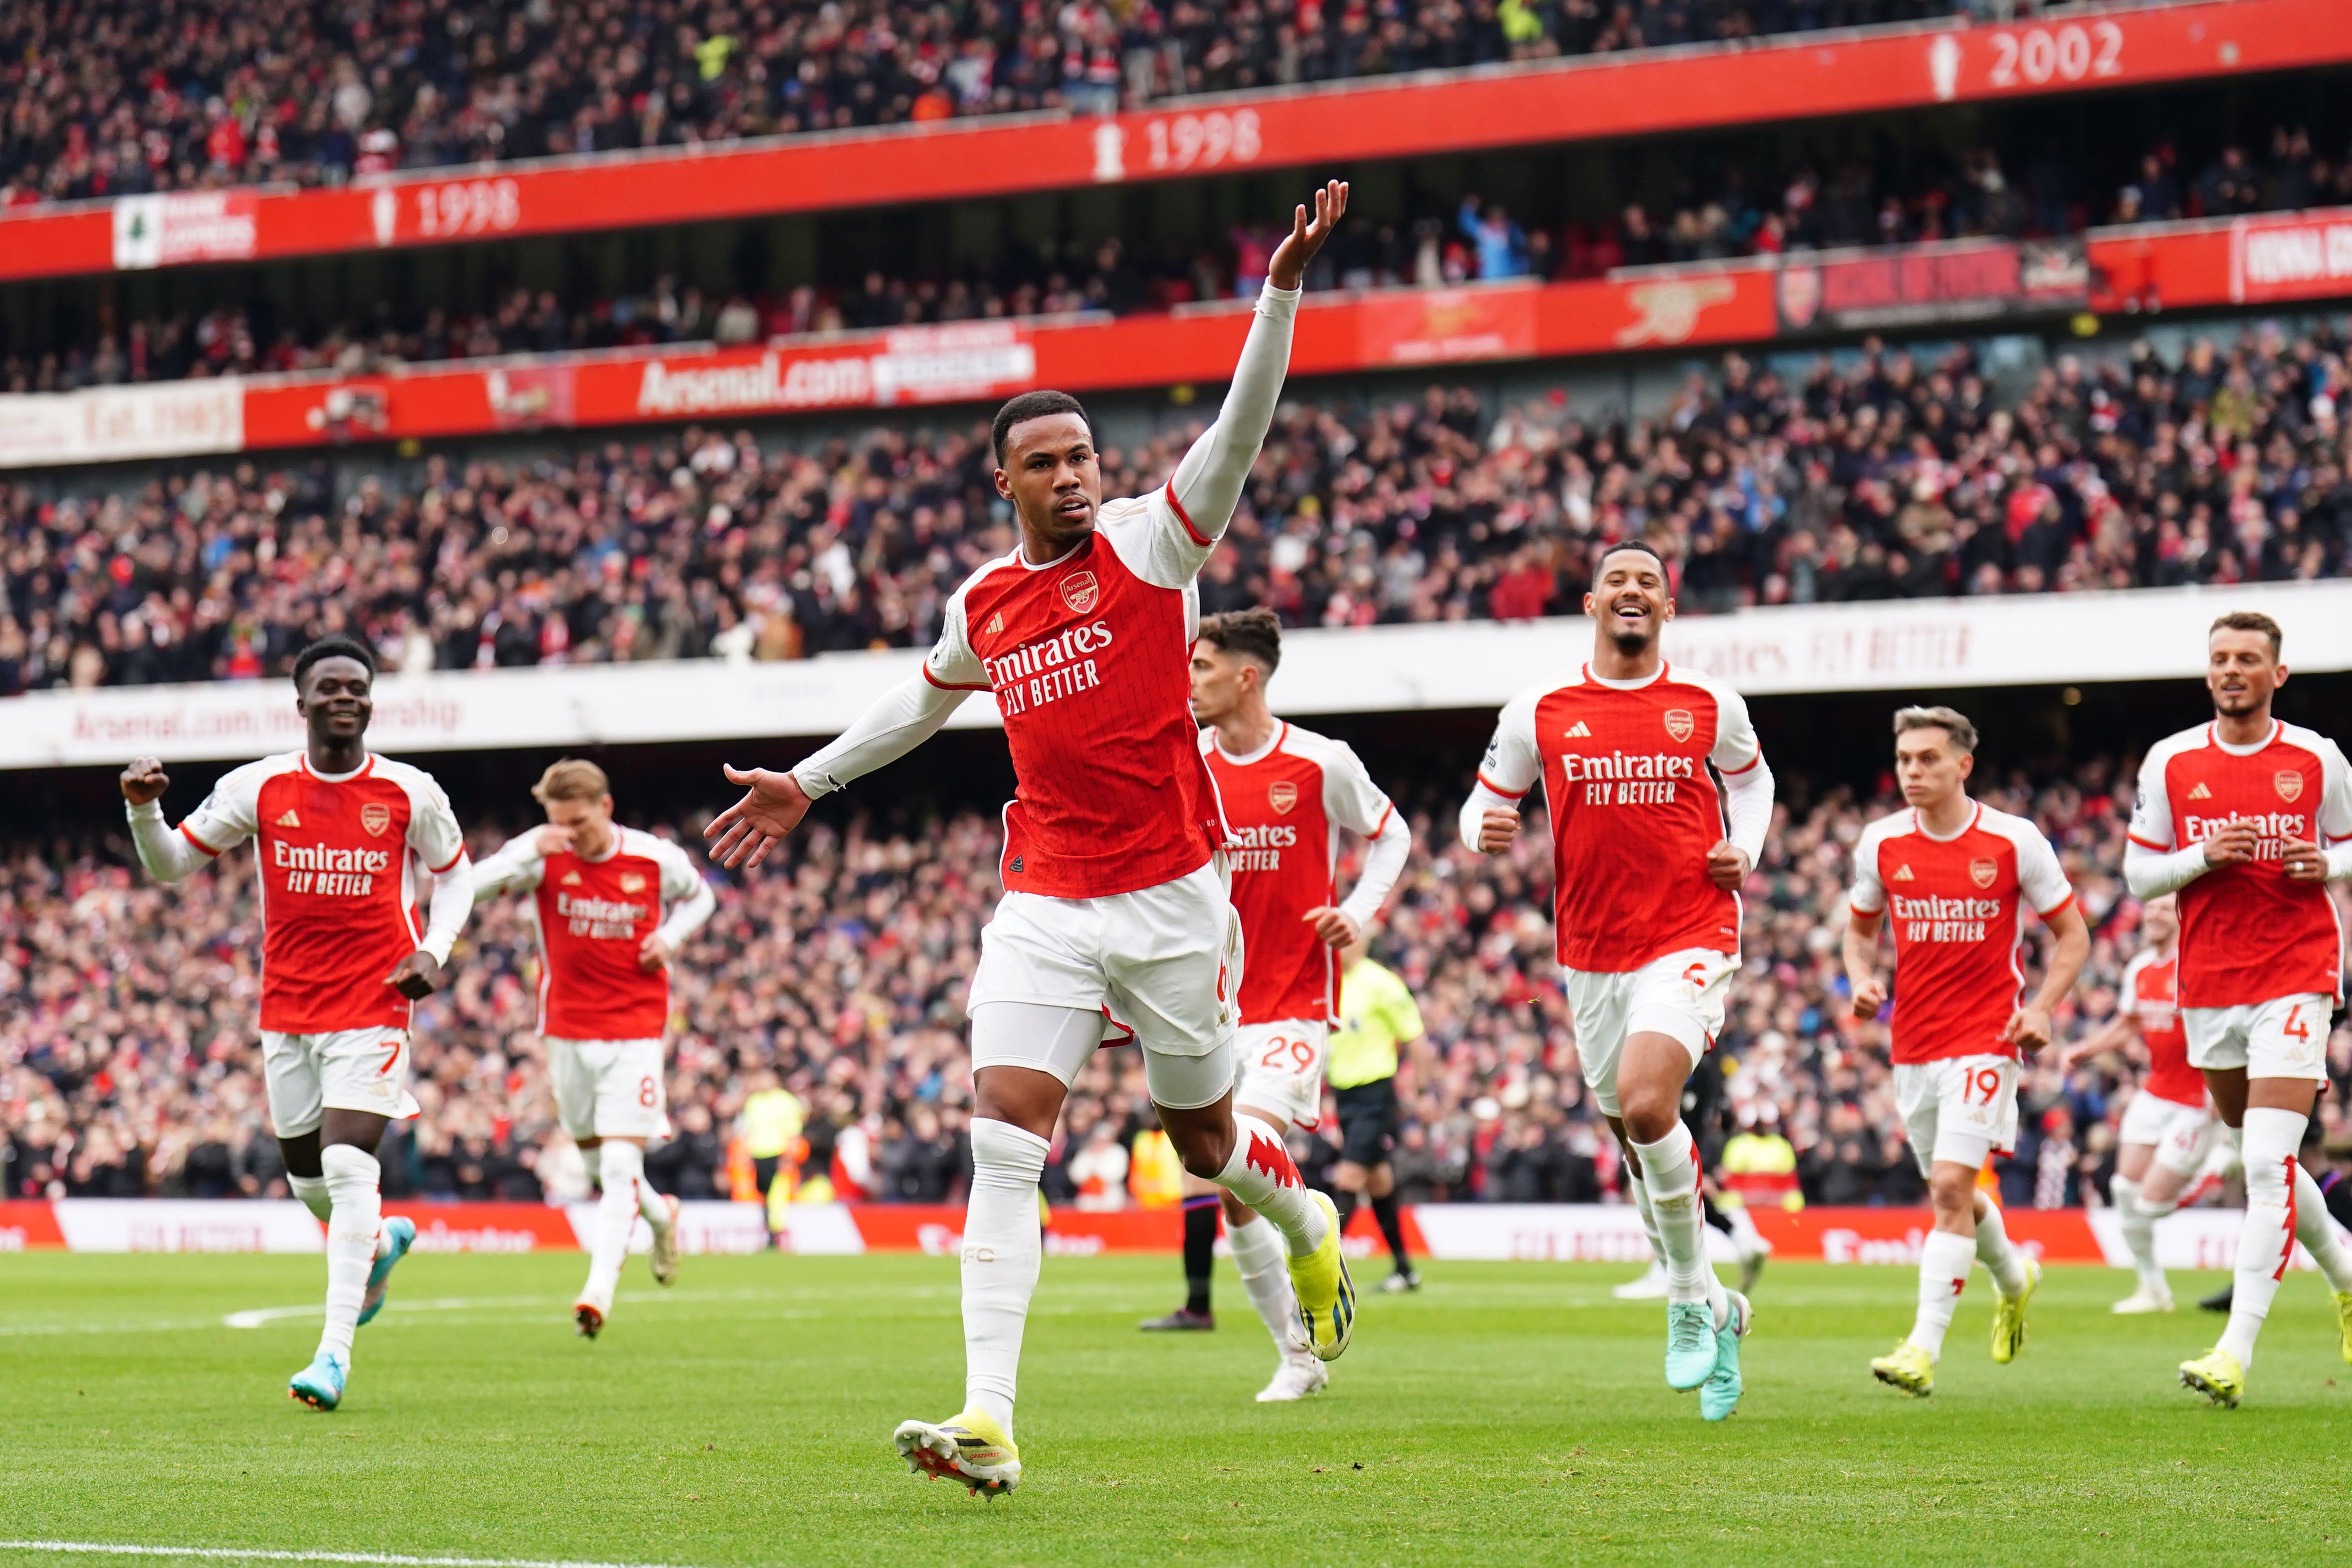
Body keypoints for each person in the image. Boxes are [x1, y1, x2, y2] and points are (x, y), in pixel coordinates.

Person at [704, 180, 1357, 1497]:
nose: (1072, 477)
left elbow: (1236, 436)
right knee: (1003, 1131)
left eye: (1084, 457)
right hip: (1045, 898)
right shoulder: (985, 599)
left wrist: (1277, 289)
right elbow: (921, 698)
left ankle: (1306, 1219)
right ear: (999, 478)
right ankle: (988, 1418)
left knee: (1208, 1151)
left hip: (1176, 897)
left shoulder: (1151, 553)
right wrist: (811, 783)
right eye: (1044, 462)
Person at [1460, 539, 1775, 1422]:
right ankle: (1722, 1307)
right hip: (1589, 951)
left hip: (1690, 928)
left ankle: (1682, 1294)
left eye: (1650, 582)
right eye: (1619, 581)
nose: (1633, 591)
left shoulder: (1709, 701)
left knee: (1646, 1104)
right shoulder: (1543, 706)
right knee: (1631, 1138)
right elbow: (1485, 797)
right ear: (1594, 603)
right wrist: (1478, 827)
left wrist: (1742, 846)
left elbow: (1754, 784)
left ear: (1667, 608)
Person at [118, 634, 472, 1411]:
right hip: (286, 1007)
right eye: (329, 687)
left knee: (348, 1170)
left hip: (376, 1001)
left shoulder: (411, 792)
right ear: (302, 702)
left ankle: (332, 1355)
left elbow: (454, 876)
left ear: (371, 702)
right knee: (310, 1185)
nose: (344, 697)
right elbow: (172, 864)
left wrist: (434, 952)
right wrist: (143, 810)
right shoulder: (261, 787)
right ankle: (380, 1245)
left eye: (357, 687)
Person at [1138, 607, 1411, 1405]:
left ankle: (1311, 1237)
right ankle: (1297, 1355)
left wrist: (1357, 912)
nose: (1187, 682)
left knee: (1241, 1147)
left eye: (1201, 667)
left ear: (1244, 677)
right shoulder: (1186, 764)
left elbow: (1389, 836)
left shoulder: (1320, 763)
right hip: (1206, 1011)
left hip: (1292, 1007)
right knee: (1225, 1180)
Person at [2123, 610, 2352, 1406]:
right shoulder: (2172, 760)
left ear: (2275, 675)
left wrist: (2326, 862)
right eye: (2219, 658)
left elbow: (2350, 846)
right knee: (2267, 1163)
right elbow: (2136, 876)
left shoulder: (2315, 759)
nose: (2230, 670)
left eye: (2247, 659)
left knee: (2261, 1165)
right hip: (2210, 984)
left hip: (2297, 972)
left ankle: (2233, 1351)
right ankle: (2348, 1273)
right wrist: (2200, 857)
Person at [1843, 707, 2090, 1397]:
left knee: (1951, 1187)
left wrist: (2039, 1007)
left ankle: (1920, 1350)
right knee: (1949, 1192)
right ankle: (2013, 1277)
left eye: (1926, 758)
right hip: (1912, 1045)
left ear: (1962, 765)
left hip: (1985, 1040)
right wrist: (1862, 978)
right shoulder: (1880, 843)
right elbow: (1856, 932)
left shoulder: (2012, 842)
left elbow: (2072, 937)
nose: (1912, 771)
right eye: (1903, 760)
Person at [469, 758, 716, 1336]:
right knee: (592, 1163)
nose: (569, 833)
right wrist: (530, 843)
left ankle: (597, 1292)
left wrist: (672, 937)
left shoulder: (653, 858)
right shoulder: (544, 857)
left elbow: (702, 898)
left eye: (577, 822)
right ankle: (660, 1215)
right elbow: (470, 888)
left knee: (621, 1160)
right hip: (566, 1032)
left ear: (605, 808)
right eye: (558, 822)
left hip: (635, 1029)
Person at [2060, 893, 2216, 1313]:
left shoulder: (2198, 965)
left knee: (2150, 1203)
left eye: (2165, 908)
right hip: (2157, 1090)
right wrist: (2086, 1049)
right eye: (2150, 908)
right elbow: (2129, 1023)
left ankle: (2218, 1166)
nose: (2154, 914)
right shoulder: (2140, 967)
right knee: (2123, 1187)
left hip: (2198, 1098)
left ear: (2183, 916)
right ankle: (2152, 1289)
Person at [1325, 932, 1428, 1293]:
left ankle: (1322, 1269)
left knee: (1348, 1178)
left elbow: (1415, 1036)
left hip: (1375, 1096)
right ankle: (1404, 1270)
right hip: (1344, 1096)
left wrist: (1423, 1090)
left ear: (1363, 943)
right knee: (1378, 1181)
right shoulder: (1329, 980)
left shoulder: (1382, 984)